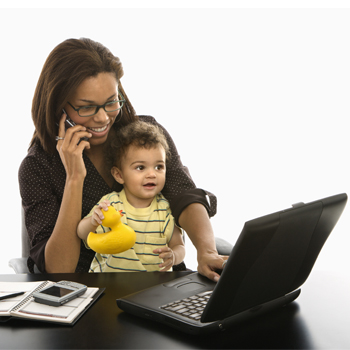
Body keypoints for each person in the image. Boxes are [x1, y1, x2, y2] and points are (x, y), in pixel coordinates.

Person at [19, 37, 227, 281]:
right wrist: (74, 178)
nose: (103, 118)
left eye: (111, 102)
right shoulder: (38, 167)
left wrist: (207, 251)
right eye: (87, 107)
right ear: (57, 106)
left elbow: (185, 194)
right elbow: (58, 268)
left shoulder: (145, 134)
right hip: (90, 295)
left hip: (161, 285)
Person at [77, 121, 185, 272]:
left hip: (152, 288)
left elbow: (179, 245)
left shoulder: (165, 209)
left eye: (159, 167)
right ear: (119, 175)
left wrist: (174, 256)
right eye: (140, 167)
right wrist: (93, 221)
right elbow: (82, 233)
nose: (152, 174)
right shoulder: (110, 204)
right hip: (109, 285)